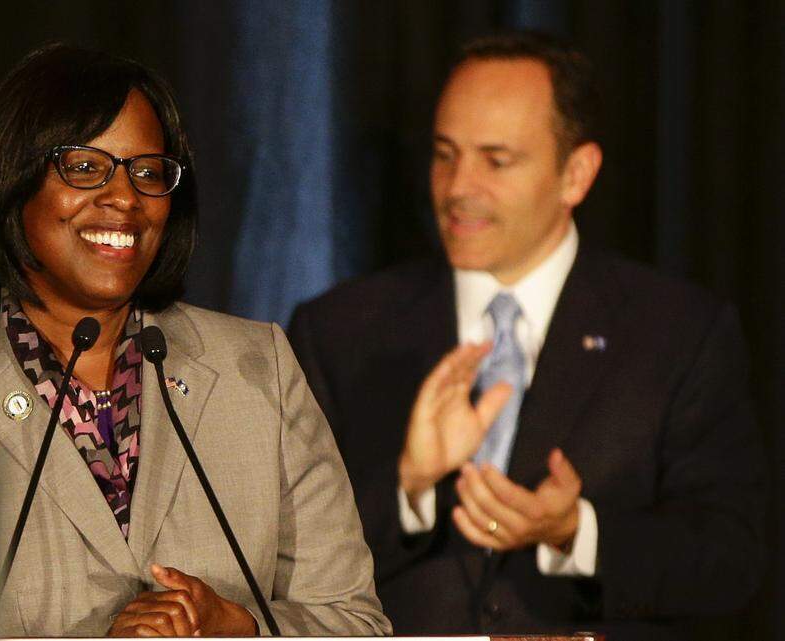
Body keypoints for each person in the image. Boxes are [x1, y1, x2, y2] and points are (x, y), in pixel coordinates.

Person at [0, 43, 389, 638]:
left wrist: (242, 630)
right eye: (85, 167)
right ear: (14, 182)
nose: (125, 198)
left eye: (148, 172)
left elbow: (356, 623)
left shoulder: (258, 369)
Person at [289, 31, 764, 640]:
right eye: (444, 154)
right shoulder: (339, 329)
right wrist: (408, 489)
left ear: (577, 174)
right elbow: (282, 559)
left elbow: (731, 560)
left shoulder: (680, 334)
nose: (459, 187)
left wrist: (574, 532)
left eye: (496, 160)